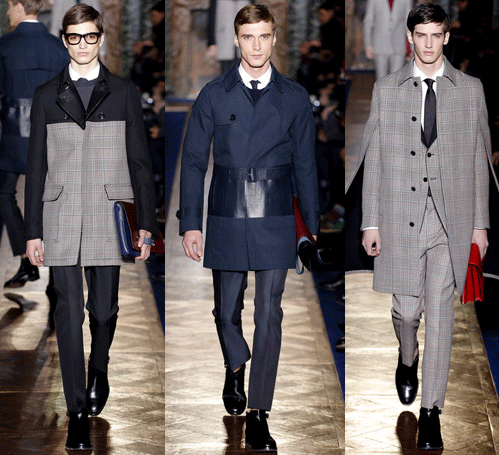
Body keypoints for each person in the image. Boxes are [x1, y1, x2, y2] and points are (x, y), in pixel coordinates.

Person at [346, 3, 490, 450]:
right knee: (407, 312)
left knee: (442, 313)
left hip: (451, 220)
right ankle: (406, 358)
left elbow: (478, 160)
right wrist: (370, 221)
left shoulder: (470, 89)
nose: (428, 44)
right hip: (399, 217)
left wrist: (480, 226)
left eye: (436, 35)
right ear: (410, 38)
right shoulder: (387, 89)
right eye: (421, 35)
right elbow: (374, 160)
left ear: (446, 36)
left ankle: (431, 412)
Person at [178, 4, 318, 452]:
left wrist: (310, 228)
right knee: (225, 312)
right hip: (226, 211)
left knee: (269, 312)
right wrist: (190, 224)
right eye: (248, 37)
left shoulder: (294, 97)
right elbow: (194, 162)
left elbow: (306, 164)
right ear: (236, 40)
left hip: (276, 213)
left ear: (274, 38)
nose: (256, 46)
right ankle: (235, 365)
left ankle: (259, 412)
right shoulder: (213, 95)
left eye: (264, 36)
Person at [24, 4, 158, 450]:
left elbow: (140, 162)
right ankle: (77, 410)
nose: (82, 45)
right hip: (61, 214)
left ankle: (98, 366)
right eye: (74, 37)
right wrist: (32, 230)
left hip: (108, 212)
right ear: (64, 40)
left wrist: (146, 225)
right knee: (68, 312)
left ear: (101, 38)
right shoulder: (47, 95)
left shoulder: (123, 91)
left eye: (90, 36)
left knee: (103, 310)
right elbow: (36, 166)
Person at [0, 0, 68, 294]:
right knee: (49, 202)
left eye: (8, 6)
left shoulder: (4, 45)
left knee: (4, 194)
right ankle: (54, 277)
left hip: (11, 134)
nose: (7, 12)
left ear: (18, 6)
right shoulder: (58, 47)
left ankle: (27, 260)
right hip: (50, 134)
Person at [363, 0, 411, 79]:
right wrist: (368, 45)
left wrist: (412, 47)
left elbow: (408, 22)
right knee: (381, 79)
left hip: (399, 45)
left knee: (397, 80)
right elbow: (368, 21)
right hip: (379, 45)